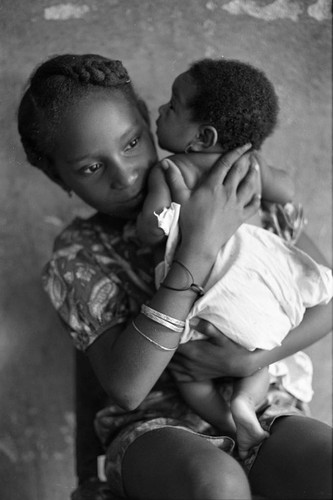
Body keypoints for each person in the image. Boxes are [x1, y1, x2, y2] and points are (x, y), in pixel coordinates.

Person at [17, 53, 332, 500]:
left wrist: (250, 360)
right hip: (153, 430)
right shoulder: (80, 253)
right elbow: (128, 389)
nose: (124, 175)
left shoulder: (236, 187)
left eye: (131, 143)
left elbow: (326, 298)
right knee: (216, 485)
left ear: (150, 123)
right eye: (91, 167)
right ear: (60, 178)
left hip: (259, 402)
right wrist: (198, 247)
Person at [136, 58, 333, 458]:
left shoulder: (172, 170)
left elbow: (150, 231)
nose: (159, 110)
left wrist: (172, 219)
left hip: (208, 292)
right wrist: (257, 171)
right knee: (260, 355)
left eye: (172, 106)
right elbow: (288, 188)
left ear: (203, 137)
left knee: (188, 374)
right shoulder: (252, 166)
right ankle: (246, 405)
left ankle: (230, 424)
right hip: (260, 298)